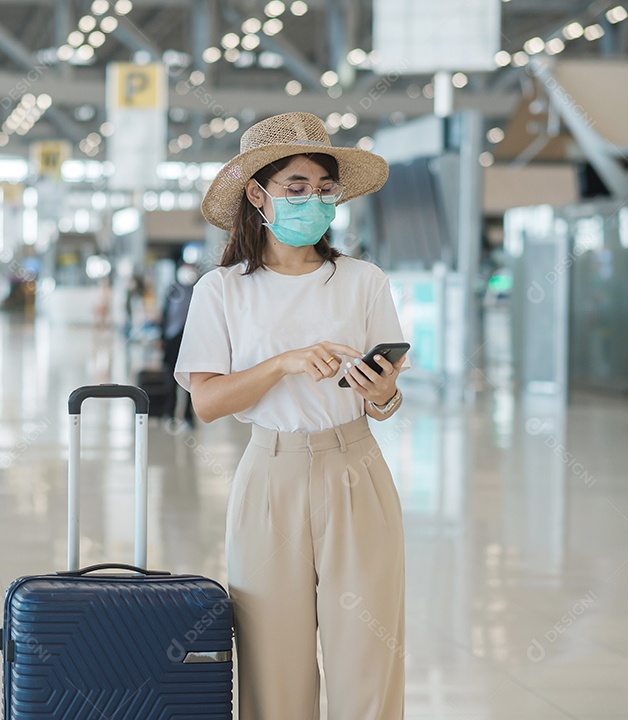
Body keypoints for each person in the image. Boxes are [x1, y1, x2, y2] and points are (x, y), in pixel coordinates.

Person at [174, 112, 409, 720]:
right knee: (272, 667)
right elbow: (206, 403)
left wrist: (381, 392)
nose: (314, 201)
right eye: (296, 187)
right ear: (258, 194)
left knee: (368, 659)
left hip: (356, 469)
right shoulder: (222, 290)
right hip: (269, 477)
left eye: (324, 189)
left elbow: (384, 402)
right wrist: (281, 363)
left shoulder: (363, 281)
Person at [160, 262, 197, 425]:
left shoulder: (198, 289)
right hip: (172, 338)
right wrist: (162, 337)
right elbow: (165, 314)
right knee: (170, 379)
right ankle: (170, 413)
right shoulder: (173, 290)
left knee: (191, 380)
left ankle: (188, 416)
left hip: (192, 340)